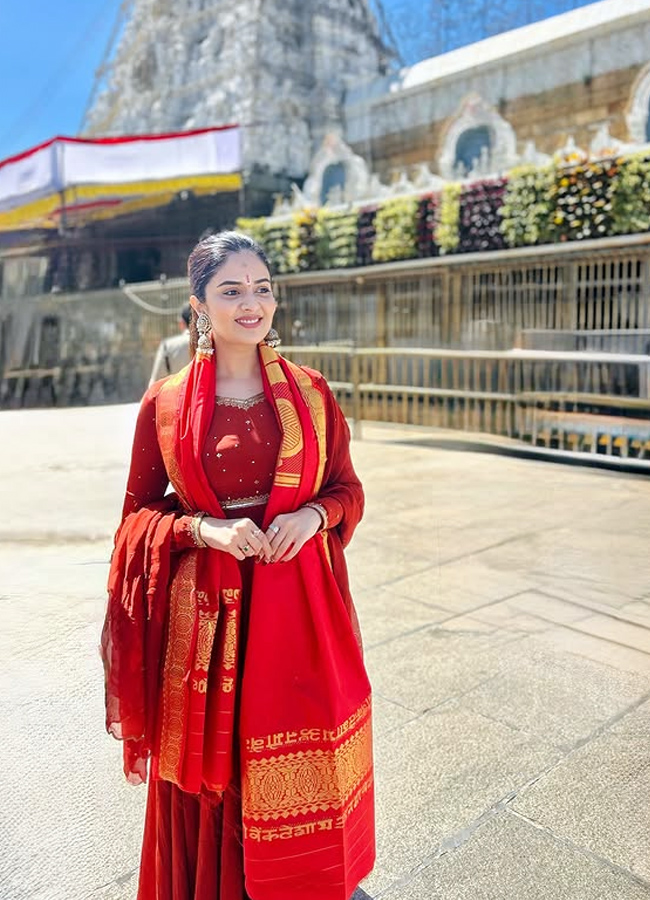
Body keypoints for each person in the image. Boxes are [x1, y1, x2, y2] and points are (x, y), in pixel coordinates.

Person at [101, 231, 375, 900]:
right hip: (210, 623)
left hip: (300, 607)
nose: (251, 304)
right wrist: (206, 531)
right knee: (219, 766)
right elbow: (137, 519)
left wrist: (312, 518)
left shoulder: (310, 393)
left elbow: (347, 490)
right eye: (231, 291)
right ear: (198, 305)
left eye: (262, 288)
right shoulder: (165, 404)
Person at [149, 302, 192, 385]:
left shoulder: (167, 346)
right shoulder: (214, 343)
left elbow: (155, 384)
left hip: (176, 396)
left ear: (181, 323)